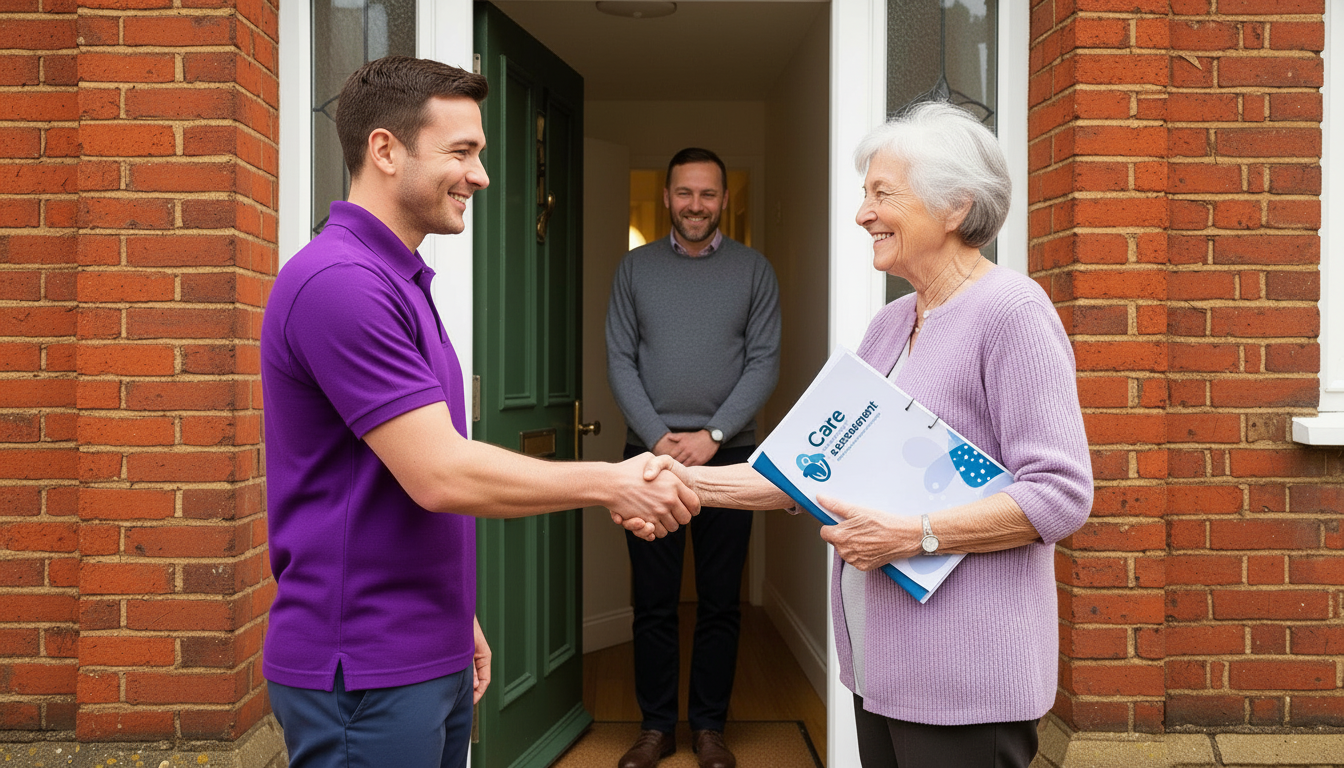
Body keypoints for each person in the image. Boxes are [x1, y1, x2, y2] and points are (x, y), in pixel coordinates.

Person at [260, 56, 698, 768]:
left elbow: (394, 481)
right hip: (365, 669)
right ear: (384, 149)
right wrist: (613, 481)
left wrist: (454, 615)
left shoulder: (397, 279)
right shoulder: (341, 284)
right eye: (461, 152)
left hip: (423, 647)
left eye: (480, 154)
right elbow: (440, 474)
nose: (482, 176)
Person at [652, 101, 1093, 767]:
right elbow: (807, 473)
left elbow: (1060, 495)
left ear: (954, 206)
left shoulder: (1013, 313)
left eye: (881, 194)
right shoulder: (890, 325)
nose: (862, 214)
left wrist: (915, 535)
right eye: (865, 195)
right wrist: (672, 479)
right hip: (880, 675)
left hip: (965, 685)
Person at [606, 148, 781, 768]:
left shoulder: (755, 271)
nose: (696, 205)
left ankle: (709, 728)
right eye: (685, 193)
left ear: (724, 200)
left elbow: (764, 362)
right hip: (647, 461)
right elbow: (621, 360)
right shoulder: (634, 270)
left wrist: (712, 435)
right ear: (667, 197)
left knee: (719, 600)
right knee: (653, 601)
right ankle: (656, 728)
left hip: (730, 459)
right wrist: (659, 439)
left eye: (708, 194)